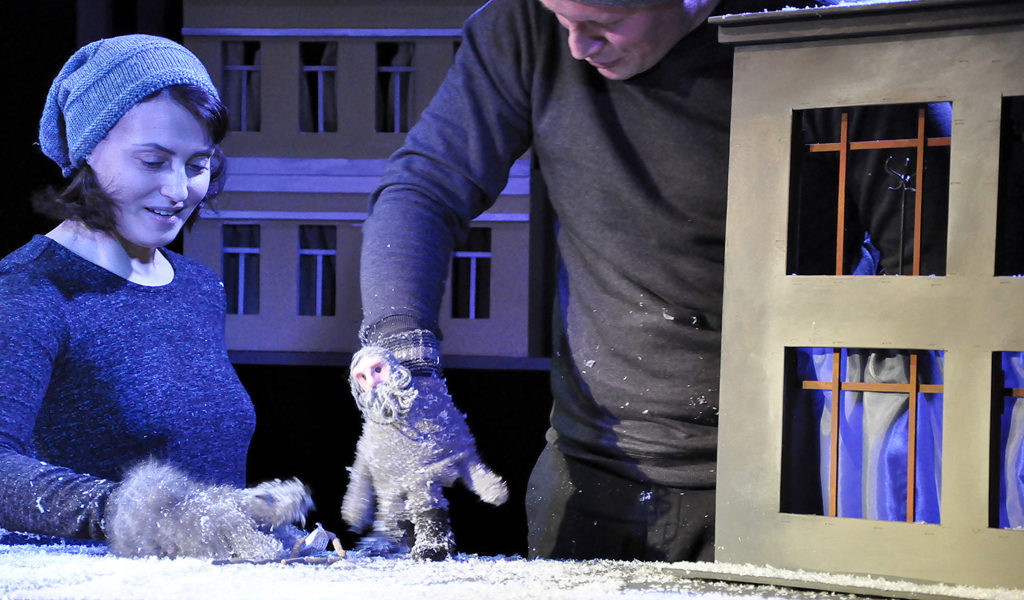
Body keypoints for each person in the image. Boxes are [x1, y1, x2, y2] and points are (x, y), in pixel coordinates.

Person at [345, 0, 817, 562]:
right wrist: (403, 366)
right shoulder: (527, 24)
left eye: (604, 23)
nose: (575, 45)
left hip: (793, 480)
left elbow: (909, 265)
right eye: (563, 19)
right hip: (589, 473)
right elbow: (424, 189)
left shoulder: (821, 31)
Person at [0, 34, 315, 560]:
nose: (177, 190)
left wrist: (268, 536)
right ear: (87, 150)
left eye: (197, 164)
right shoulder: (29, 290)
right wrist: (140, 513)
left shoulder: (197, 288)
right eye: (152, 161)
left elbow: (206, 481)